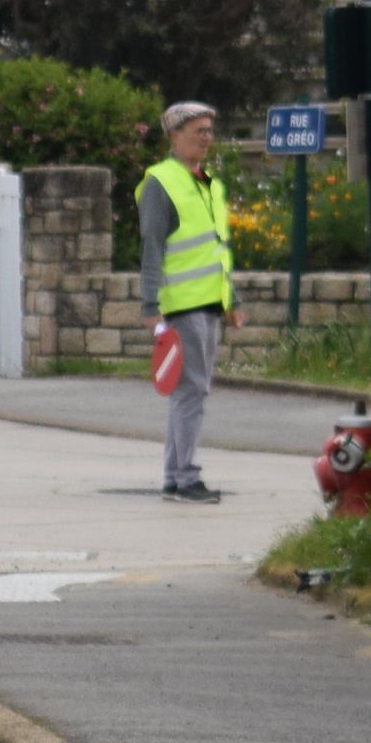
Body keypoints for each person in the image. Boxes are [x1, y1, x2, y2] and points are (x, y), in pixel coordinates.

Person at [143, 100, 230, 504]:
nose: (206, 138)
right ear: (174, 135)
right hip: (182, 307)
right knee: (190, 393)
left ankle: (174, 477)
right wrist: (150, 306)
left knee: (190, 392)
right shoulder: (162, 183)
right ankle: (185, 480)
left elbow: (217, 248)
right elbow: (151, 248)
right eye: (199, 130)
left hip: (208, 303)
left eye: (209, 130)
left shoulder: (207, 184)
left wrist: (234, 299)